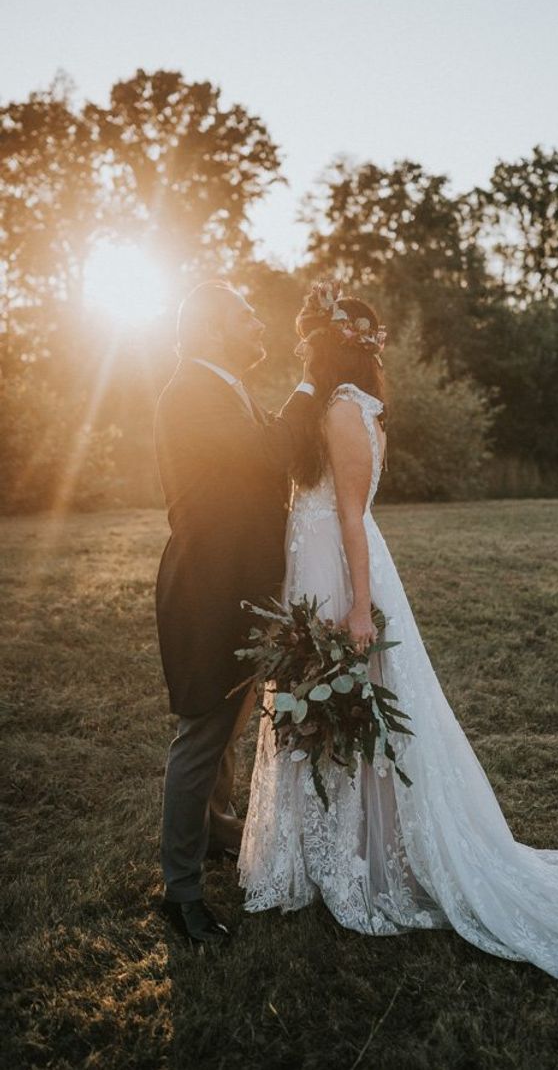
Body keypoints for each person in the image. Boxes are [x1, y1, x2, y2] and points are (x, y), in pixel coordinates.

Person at [238, 279, 558, 1023]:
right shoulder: (325, 406)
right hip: (309, 569)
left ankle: (363, 860)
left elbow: (352, 516)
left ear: (324, 347)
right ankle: (319, 853)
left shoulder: (350, 412)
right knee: (315, 706)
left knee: (348, 707)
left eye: (309, 341)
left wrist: (358, 606)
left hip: (340, 570)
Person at [154, 279, 318, 944]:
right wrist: (311, 382)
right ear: (213, 327)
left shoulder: (223, 385)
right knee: (202, 735)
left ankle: (217, 831)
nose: (257, 323)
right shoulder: (190, 390)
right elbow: (268, 453)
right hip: (208, 590)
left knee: (231, 720)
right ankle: (180, 891)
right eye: (245, 314)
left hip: (242, 583)